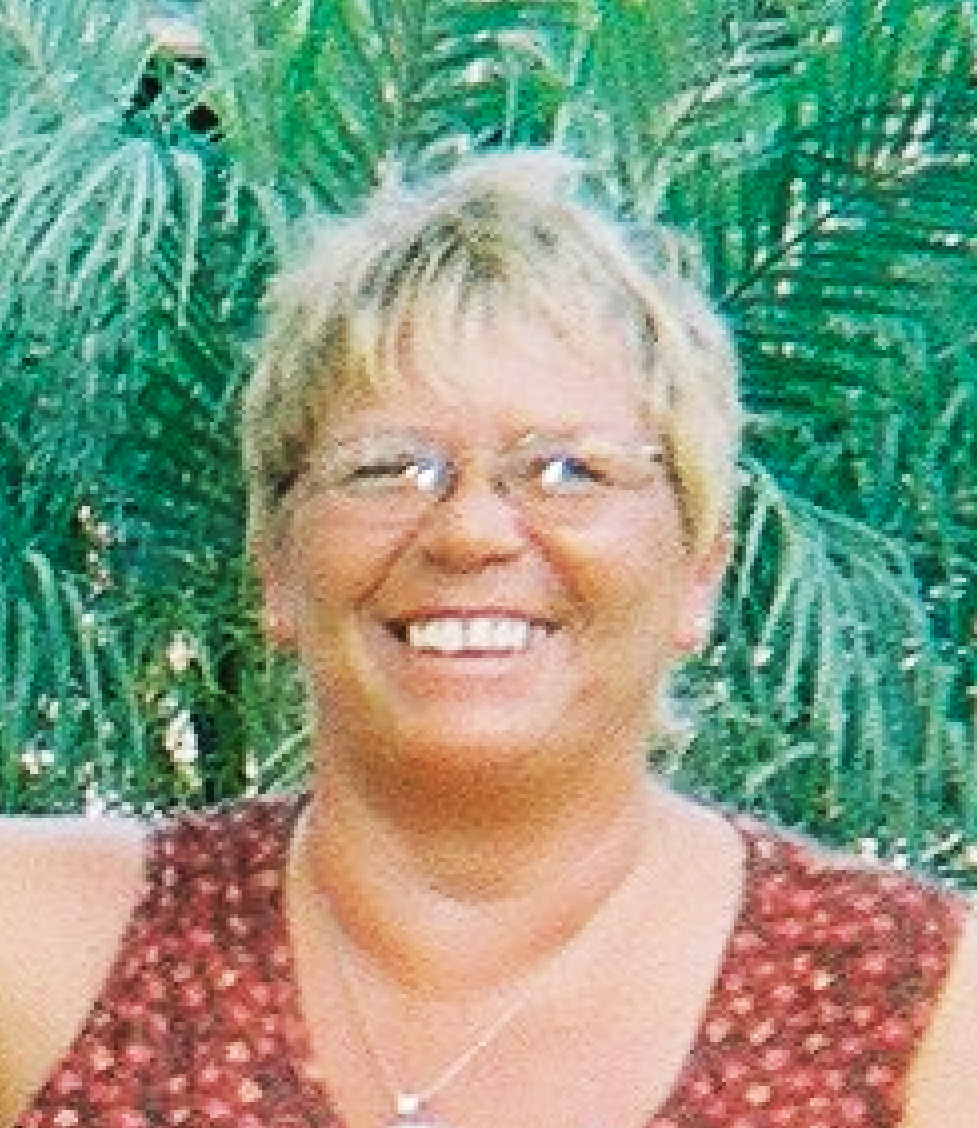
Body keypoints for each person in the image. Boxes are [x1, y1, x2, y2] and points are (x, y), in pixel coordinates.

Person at [1, 150, 975, 1128]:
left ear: (697, 573)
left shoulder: (923, 1016)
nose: (470, 532)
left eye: (567, 472)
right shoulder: (39, 960)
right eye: (387, 468)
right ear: (274, 569)